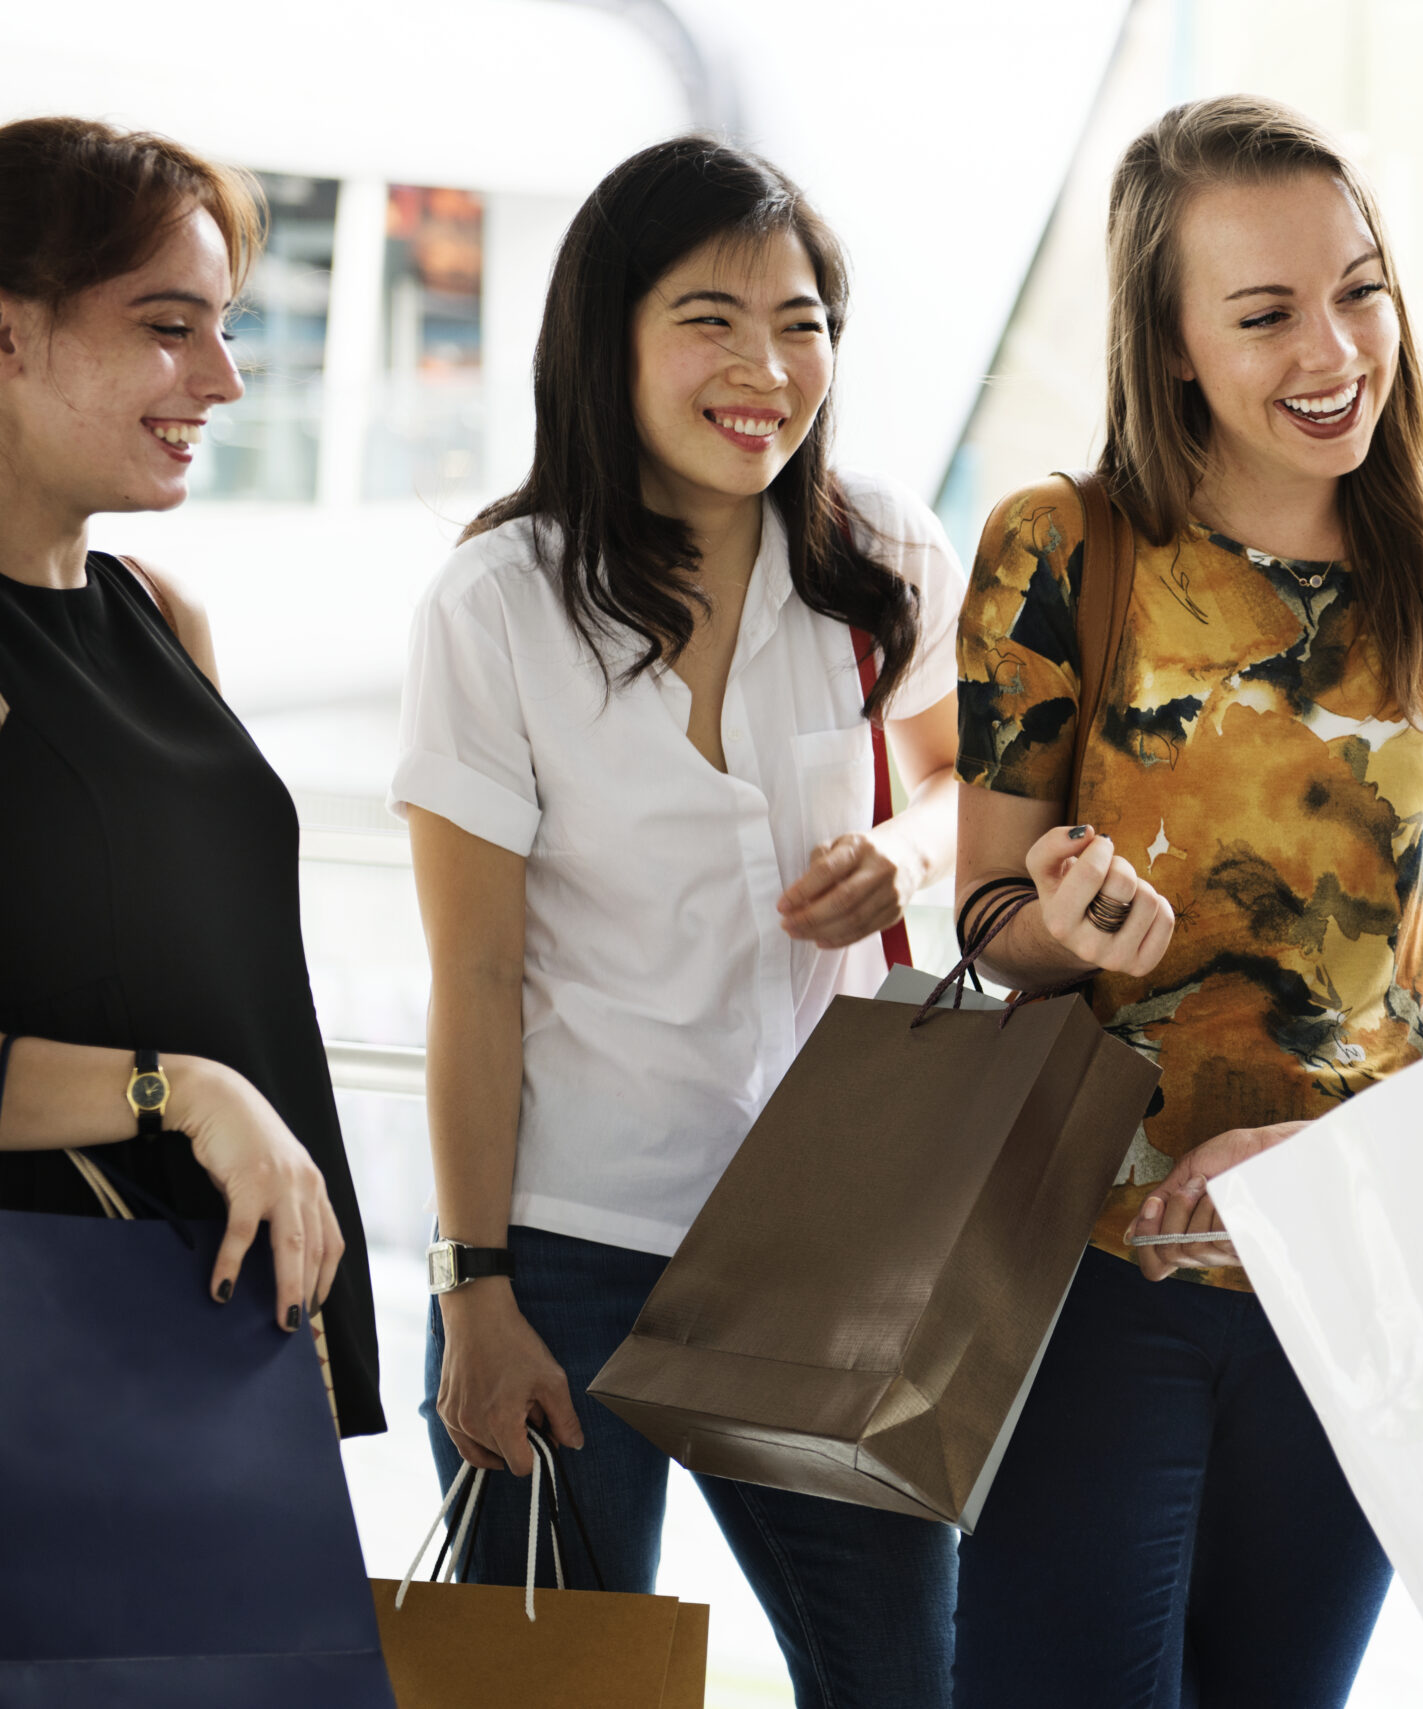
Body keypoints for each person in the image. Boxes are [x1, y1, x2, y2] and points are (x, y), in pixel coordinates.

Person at [949, 95, 1423, 1707]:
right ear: (1172, 347)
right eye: (1265, 313)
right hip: (1096, 1267)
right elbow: (989, 923)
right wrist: (1060, 928)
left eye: (1360, 287)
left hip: (1361, 1266)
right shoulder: (1057, 549)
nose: (1333, 348)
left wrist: (1364, 1146)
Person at [394, 137, 964, 1704]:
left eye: (802, 321)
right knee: (554, 1687)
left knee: (901, 1677)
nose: (766, 367)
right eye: (711, 317)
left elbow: (973, 791)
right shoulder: (500, 601)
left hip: (827, 1246)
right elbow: (478, 976)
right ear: (610, 335)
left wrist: (905, 853)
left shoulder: (883, 559)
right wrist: (476, 1291)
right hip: (568, 1244)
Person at [0, 116, 381, 1429]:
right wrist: (184, 1092)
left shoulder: (160, 616)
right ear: (7, 334)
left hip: (229, 1327)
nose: (223, 378)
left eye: (223, 325)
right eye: (170, 325)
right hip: (57, 1340)